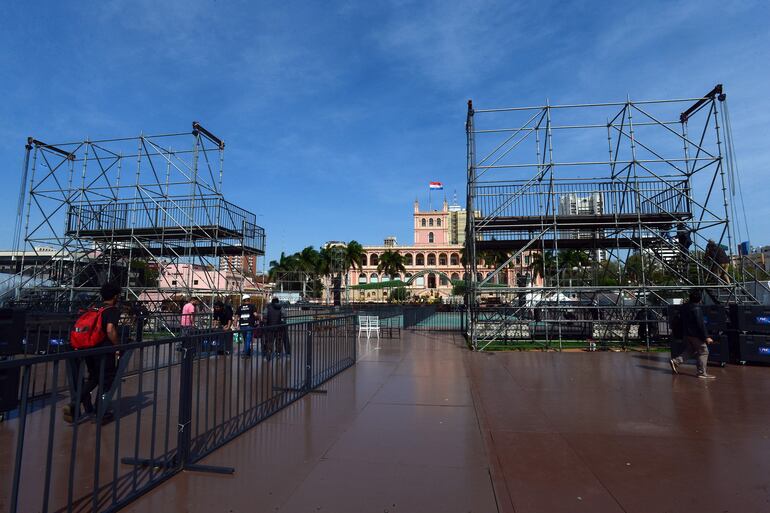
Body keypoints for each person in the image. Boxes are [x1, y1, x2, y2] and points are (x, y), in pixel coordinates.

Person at [63, 283, 122, 423]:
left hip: (89, 348)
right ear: (115, 296)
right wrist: (118, 346)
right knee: (106, 379)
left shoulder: (95, 308)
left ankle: (74, 402)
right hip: (104, 350)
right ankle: (100, 412)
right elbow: (109, 329)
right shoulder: (112, 310)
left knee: (94, 378)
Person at [670, 289, 716, 379]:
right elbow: (700, 324)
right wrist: (706, 337)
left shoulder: (684, 307)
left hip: (686, 333)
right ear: (699, 300)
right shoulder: (696, 309)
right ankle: (702, 372)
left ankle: (676, 361)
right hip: (695, 334)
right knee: (704, 351)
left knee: (691, 350)